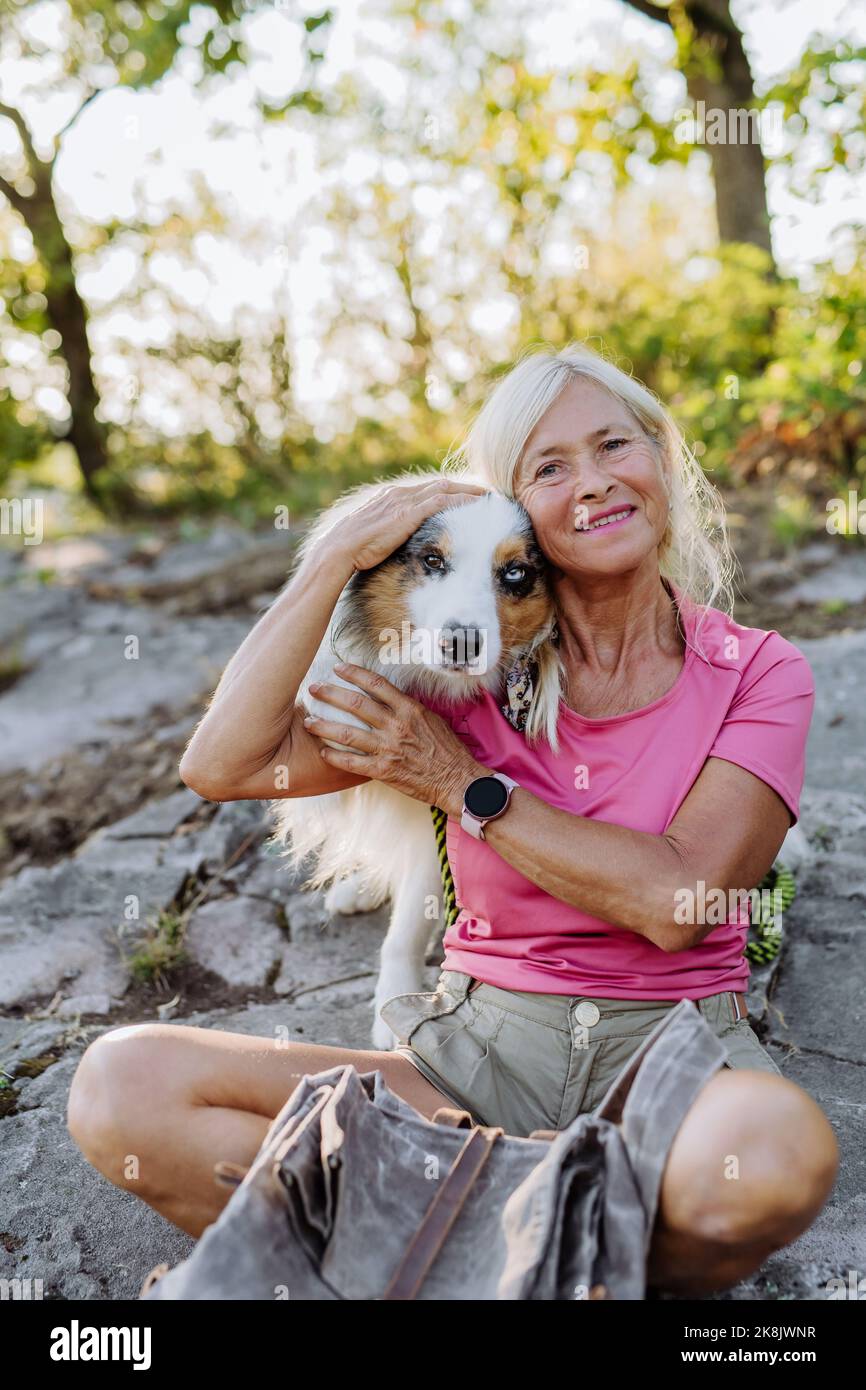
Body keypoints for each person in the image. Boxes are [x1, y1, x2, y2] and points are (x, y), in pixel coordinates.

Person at [67, 342, 838, 1298]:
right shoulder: (462, 668)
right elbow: (224, 764)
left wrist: (459, 782)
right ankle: (547, 1239)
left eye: (614, 446)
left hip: (671, 1046)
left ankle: (432, 1233)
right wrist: (336, 553)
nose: (592, 483)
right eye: (549, 467)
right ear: (513, 504)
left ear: (661, 459)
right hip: (471, 1062)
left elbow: (675, 902)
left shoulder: (759, 670)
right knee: (121, 1085)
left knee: (773, 1156)